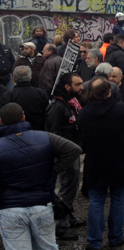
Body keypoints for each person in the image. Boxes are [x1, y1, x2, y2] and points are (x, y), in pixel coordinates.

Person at [0, 102, 82, 250]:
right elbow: (74, 150)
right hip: (42, 205)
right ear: (23, 117)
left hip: (10, 210)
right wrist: (53, 171)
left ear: (1, 122)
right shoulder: (44, 137)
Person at [78, 77, 124, 250]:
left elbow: (81, 135)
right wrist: (121, 139)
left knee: (96, 201)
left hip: (96, 160)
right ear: (109, 91)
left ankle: (95, 241)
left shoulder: (85, 112)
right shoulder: (119, 108)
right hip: (119, 158)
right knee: (118, 199)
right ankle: (116, 236)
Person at [46, 72, 85, 240]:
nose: (82, 87)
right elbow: (53, 134)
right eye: (78, 84)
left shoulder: (71, 103)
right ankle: (60, 226)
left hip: (73, 152)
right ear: (67, 87)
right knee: (67, 188)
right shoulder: (57, 106)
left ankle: (69, 217)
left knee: (72, 186)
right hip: (65, 155)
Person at [0, 66, 49, 131]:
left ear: (13, 79)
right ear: (30, 78)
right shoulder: (42, 94)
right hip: (38, 131)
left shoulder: (8, 96)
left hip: (14, 133)